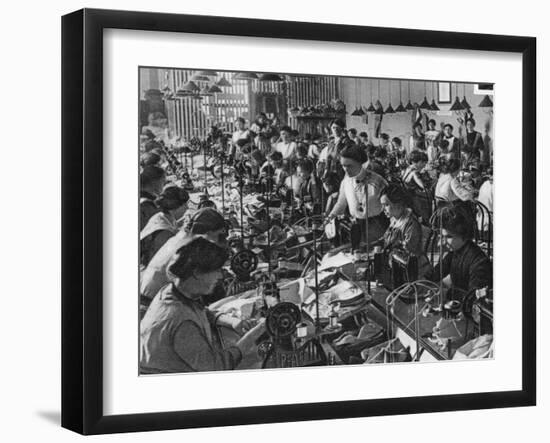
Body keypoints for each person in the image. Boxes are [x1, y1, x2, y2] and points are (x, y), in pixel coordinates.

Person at [140, 237, 266, 373]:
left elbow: (201, 312)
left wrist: (232, 321)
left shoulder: (174, 291)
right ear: (196, 273)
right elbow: (216, 367)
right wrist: (252, 337)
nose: (220, 276)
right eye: (216, 270)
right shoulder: (182, 322)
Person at [140, 208, 228, 301]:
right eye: (218, 234)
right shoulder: (188, 247)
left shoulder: (181, 237)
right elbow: (193, 282)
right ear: (208, 232)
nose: (219, 239)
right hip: (154, 300)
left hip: (151, 293)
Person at [326, 145, 389, 246]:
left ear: (360, 163)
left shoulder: (378, 181)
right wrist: (329, 218)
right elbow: (341, 204)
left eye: (349, 166)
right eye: (343, 165)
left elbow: (391, 204)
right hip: (356, 226)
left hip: (376, 226)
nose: (345, 169)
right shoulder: (345, 182)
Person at [429, 206, 492, 298]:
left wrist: (447, 293)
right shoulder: (455, 250)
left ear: (464, 235)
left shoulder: (479, 263)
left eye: (448, 237)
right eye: (441, 237)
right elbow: (437, 271)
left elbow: (474, 298)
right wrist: (425, 279)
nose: (440, 243)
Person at [379, 185, 431, 277]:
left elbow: (409, 252)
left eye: (386, 205)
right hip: (396, 264)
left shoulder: (411, 223)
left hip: (412, 271)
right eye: (382, 205)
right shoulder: (395, 219)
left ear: (398, 204)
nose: (382, 209)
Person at [140, 186, 189, 267]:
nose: (187, 208)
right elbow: (170, 260)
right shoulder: (164, 234)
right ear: (176, 207)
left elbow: (172, 226)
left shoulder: (162, 215)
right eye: (185, 205)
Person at [140, 165, 166, 230]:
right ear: (155, 182)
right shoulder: (146, 205)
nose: (164, 185)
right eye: (163, 182)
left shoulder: (145, 195)